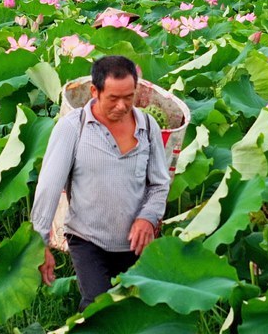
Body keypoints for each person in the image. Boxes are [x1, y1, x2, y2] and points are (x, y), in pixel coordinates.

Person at [30, 55, 171, 310]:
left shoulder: (148, 126)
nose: (121, 106)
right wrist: (39, 242)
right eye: (113, 99)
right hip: (88, 238)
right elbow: (49, 187)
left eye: (128, 97)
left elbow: (160, 184)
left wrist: (148, 217)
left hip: (134, 240)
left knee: (135, 311)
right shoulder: (73, 128)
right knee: (97, 306)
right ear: (95, 91)